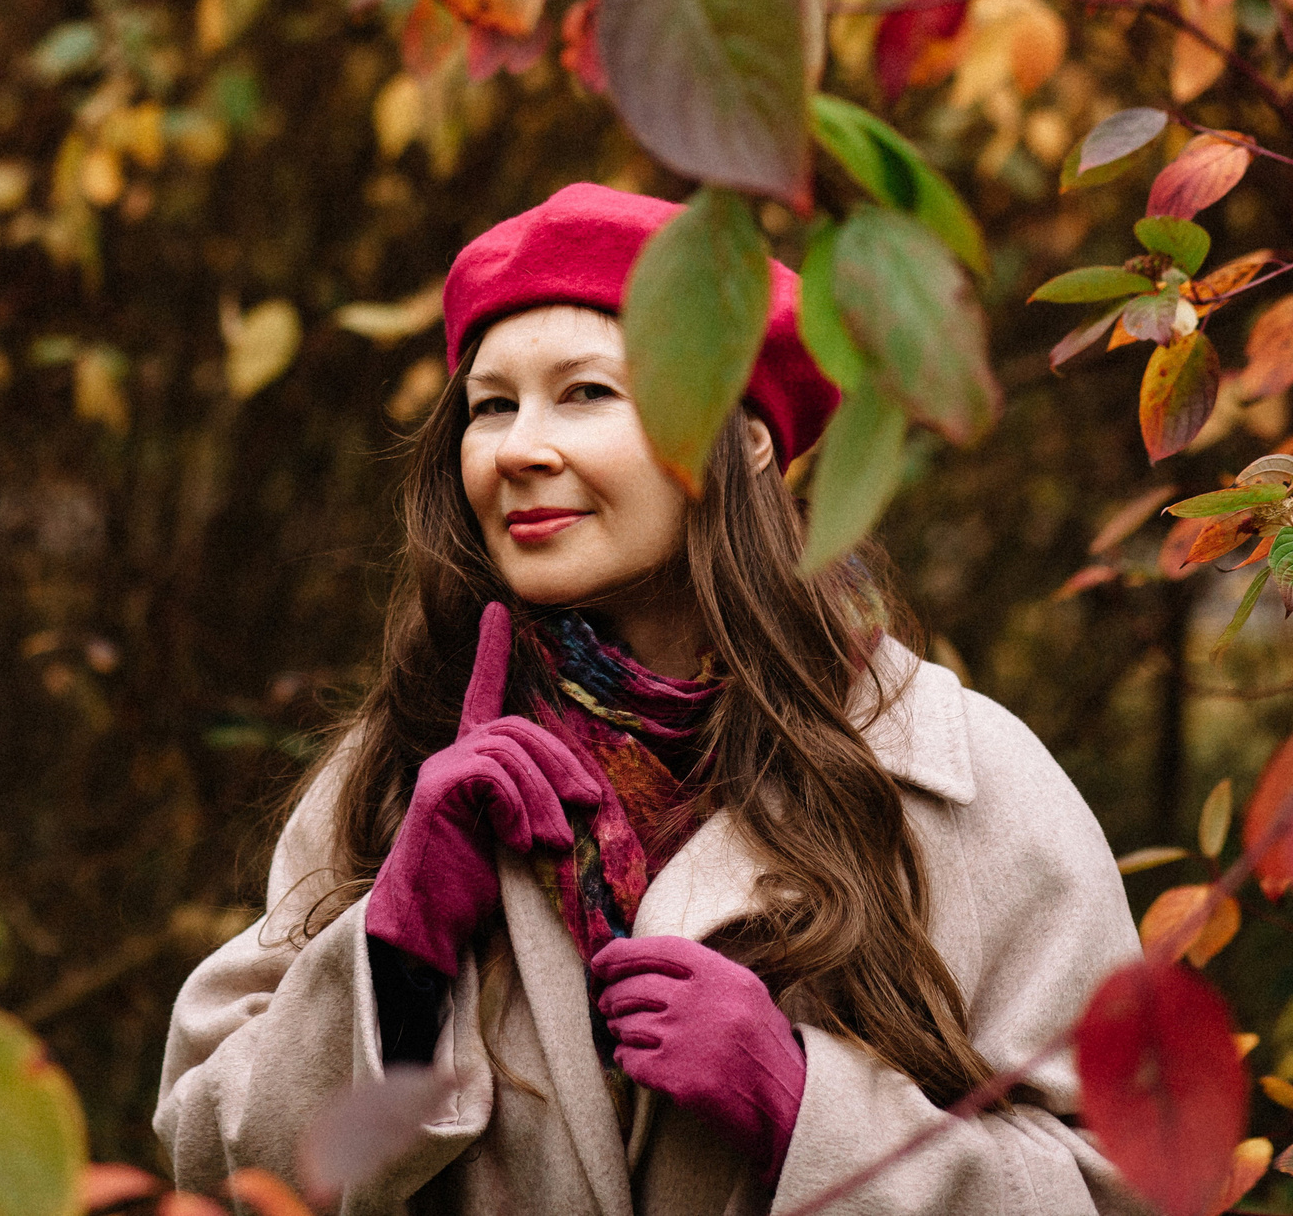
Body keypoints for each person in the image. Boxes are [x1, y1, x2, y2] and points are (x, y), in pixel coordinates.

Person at [152, 184, 1146, 1216]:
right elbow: (217, 1172)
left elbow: (1124, 1191)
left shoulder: (958, 775)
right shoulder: (400, 764)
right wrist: (394, 952)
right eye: (491, 405)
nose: (518, 448)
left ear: (746, 437)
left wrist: (805, 1111)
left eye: (585, 392)